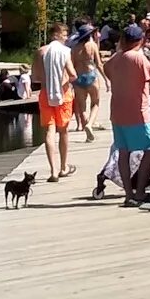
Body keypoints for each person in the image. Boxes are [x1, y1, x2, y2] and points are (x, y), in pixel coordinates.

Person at [105, 23, 150, 205]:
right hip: (137, 113)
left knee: (124, 152)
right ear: (140, 40)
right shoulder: (138, 58)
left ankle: (128, 194)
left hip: (117, 113)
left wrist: (119, 82)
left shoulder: (116, 58)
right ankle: (140, 191)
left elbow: (105, 68)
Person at [33, 22, 76, 183]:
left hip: (46, 94)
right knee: (63, 131)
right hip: (63, 95)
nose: (66, 38)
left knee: (49, 132)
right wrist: (64, 80)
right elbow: (73, 75)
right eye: (64, 35)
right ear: (56, 34)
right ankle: (63, 167)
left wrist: (48, 80)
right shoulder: (65, 52)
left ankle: (53, 171)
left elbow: (35, 77)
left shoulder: (40, 52)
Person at [69, 22, 102, 144]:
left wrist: (70, 81)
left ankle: (86, 128)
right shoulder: (92, 46)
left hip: (79, 77)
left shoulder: (74, 48)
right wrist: (107, 80)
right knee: (95, 103)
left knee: (81, 106)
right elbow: (98, 64)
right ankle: (90, 124)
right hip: (91, 75)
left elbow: (71, 66)